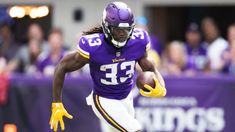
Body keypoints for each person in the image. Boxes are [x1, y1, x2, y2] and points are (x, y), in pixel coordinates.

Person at [49, 2, 167, 132]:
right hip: (104, 99)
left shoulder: (138, 41)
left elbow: (149, 66)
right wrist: (57, 103)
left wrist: (161, 85)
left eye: (126, 30)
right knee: (134, 130)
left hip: (126, 97)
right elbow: (62, 66)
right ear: (107, 27)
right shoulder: (93, 46)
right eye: (118, 30)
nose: (122, 34)